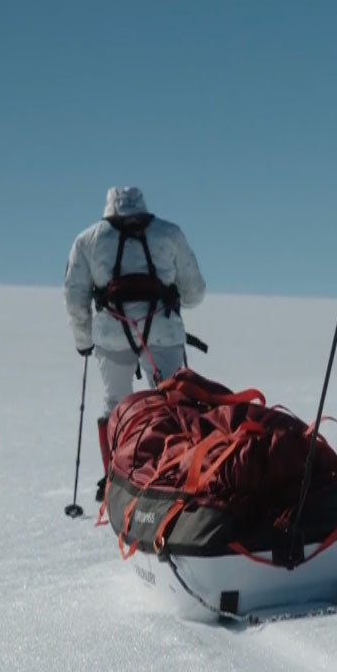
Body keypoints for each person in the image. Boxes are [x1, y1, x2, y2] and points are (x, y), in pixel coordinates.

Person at [64, 186, 206, 500]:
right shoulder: (169, 233)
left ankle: (116, 481)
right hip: (164, 332)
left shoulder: (88, 239)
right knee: (172, 400)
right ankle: (176, 474)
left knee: (116, 403)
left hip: (111, 334)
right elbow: (195, 291)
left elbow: (75, 298)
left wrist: (84, 341)